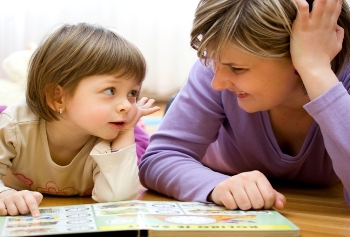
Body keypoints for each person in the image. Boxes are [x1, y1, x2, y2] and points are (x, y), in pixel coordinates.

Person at [139, 0, 350, 211]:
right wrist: (215, 185)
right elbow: (159, 159)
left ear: (299, 57)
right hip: (208, 159)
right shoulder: (212, 72)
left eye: (238, 69)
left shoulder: (338, 77)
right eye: (214, 61)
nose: (217, 83)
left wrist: (316, 70)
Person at [0, 22, 160, 217]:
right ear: (58, 97)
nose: (126, 105)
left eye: (132, 92)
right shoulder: (14, 126)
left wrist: (127, 131)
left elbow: (118, 198)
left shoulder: (112, 135)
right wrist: (4, 193)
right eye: (110, 90)